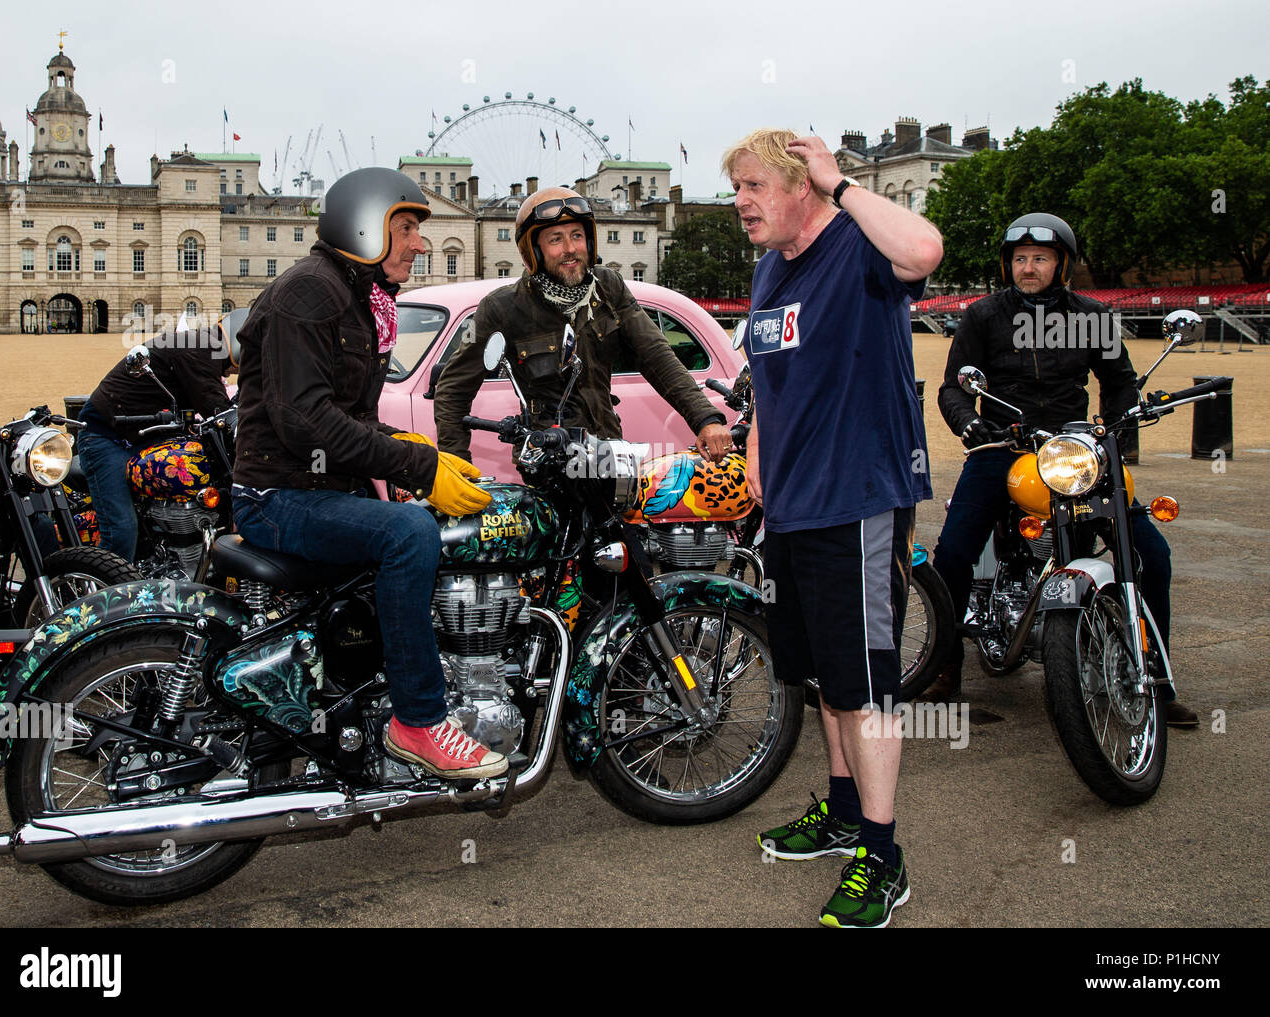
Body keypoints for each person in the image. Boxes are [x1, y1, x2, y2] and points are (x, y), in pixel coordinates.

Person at [725, 129, 942, 929]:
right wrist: (754, 444)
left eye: (753, 186)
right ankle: (846, 811)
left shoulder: (857, 243)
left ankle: (883, 856)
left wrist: (841, 182)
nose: (741, 202)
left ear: (802, 186)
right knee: (821, 676)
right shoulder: (766, 269)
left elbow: (925, 248)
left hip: (856, 498)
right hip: (790, 503)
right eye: (735, 189)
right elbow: (767, 371)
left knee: (867, 686)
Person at [230, 166, 507, 780]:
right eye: (405, 226)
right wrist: (415, 462)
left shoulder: (354, 298)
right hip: (279, 495)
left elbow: (343, 417)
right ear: (364, 226)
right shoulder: (311, 293)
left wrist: (409, 447)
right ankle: (420, 720)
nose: (420, 242)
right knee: (407, 533)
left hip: (314, 487)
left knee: (423, 524)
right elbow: (304, 420)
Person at [927, 212, 1197, 728]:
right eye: (1021, 259)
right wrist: (970, 425)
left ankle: (1156, 678)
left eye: (1041, 258)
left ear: (1062, 264)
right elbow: (952, 388)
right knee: (953, 553)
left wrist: (1114, 425)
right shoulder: (984, 315)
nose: (1029, 268)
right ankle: (945, 670)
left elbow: (1119, 381)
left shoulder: (1093, 315)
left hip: (1075, 449)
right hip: (1004, 444)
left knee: (1152, 553)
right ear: (1009, 264)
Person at [433, 186, 731, 464]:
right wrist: (457, 468)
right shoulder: (502, 307)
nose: (570, 248)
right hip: (548, 460)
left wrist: (705, 418)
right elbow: (453, 388)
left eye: (577, 236)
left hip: (606, 450)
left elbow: (655, 355)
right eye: (555, 239)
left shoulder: (608, 287)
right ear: (532, 251)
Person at [78, 314, 239, 563]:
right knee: (121, 529)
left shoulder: (203, 346)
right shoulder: (197, 350)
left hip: (147, 435)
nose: (231, 373)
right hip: (107, 436)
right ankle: (106, 592)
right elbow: (219, 413)